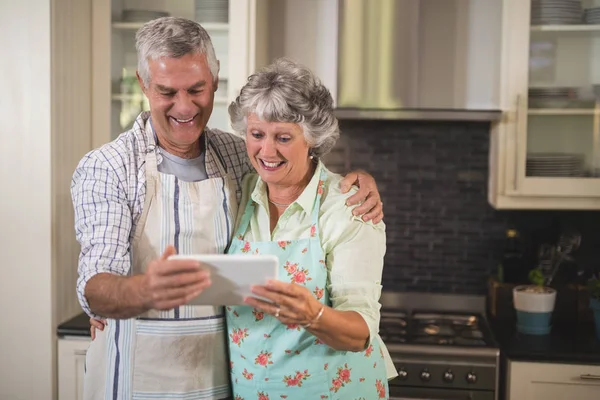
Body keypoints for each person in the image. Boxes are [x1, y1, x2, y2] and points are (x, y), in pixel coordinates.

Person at [72, 17, 384, 400]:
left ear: (214, 84)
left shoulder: (235, 158)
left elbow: (298, 167)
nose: (184, 106)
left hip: (225, 384)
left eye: (197, 89)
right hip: (141, 382)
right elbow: (96, 285)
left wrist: (359, 178)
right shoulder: (110, 167)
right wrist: (143, 290)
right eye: (167, 91)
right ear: (144, 85)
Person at [224, 58, 396, 399]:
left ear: (313, 139)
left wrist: (312, 314)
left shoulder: (348, 208)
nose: (267, 150)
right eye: (256, 134)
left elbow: (360, 331)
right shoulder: (239, 192)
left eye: (283, 137)